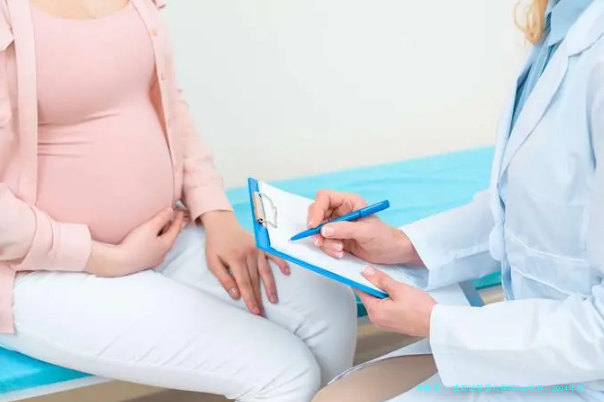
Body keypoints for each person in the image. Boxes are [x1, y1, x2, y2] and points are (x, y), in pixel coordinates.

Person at [0, 1, 357, 401]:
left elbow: (166, 103)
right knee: (284, 372)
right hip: (38, 270)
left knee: (330, 305)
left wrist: (216, 214)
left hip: (164, 235)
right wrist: (104, 258)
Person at [310, 0, 604, 401]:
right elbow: (519, 206)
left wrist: (437, 324)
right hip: (533, 348)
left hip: (580, 370)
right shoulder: (561, 25)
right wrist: (402, 244)